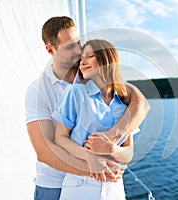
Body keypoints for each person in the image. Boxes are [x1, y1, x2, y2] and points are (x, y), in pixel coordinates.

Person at [25, 16, 149, 200]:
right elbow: (45, 150)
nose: (78, 52)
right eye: (69, 47)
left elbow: (141, 102)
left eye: (78, 44)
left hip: (103, 183)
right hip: (54, 184)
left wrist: (112, 139)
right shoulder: (38, 90)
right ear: (51, 50)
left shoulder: (93, 78)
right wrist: (92, 165)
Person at [54, 39, 137, 200]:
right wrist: (89, 156)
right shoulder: (75, 92)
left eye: (89, 56)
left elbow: (129, 153)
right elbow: (60, 138)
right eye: (81, 58)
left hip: (115, 187)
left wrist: (113, 150)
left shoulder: (123, 103)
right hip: (80, 185)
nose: (82, 62)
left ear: (107, 60)